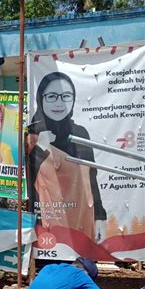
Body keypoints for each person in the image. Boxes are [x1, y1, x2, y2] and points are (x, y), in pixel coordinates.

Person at [27, 72, 107, 242]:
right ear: (41, 98)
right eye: (52, 96)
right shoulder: (32, 134)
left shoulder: (80, 134)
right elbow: (26, 178)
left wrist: (100, 215)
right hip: (47, 221)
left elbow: (91, 177)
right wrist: (40, 147)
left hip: (81, 218)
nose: (59, 103)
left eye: (65, 96)